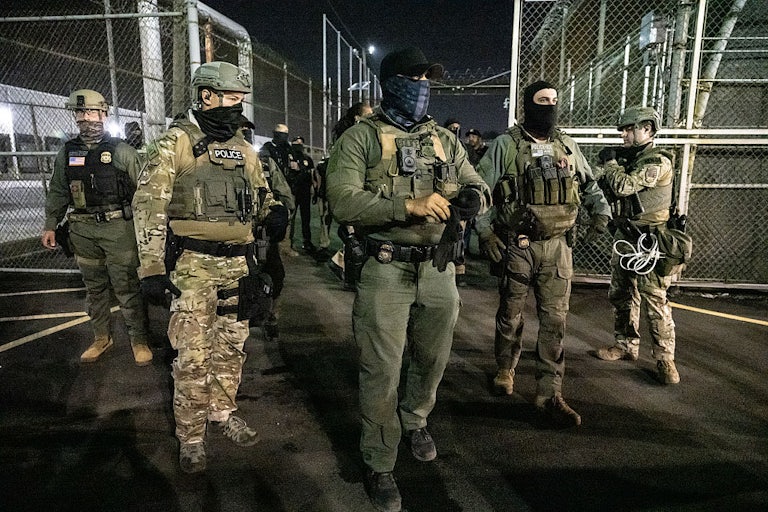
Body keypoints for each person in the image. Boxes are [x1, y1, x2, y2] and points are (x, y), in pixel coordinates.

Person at [326, 47, 491, 512]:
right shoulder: (361, 138)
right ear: (392, 82)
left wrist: (472, 200)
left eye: (428, 78)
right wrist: (407, 206)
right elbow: (342, 199)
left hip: (438, 267)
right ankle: (379, 461)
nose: (423, 86)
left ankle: (416, 420)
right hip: (386, 267)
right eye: (414, 78)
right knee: (380, 367)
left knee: (433, 358)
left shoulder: (443, 138)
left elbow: (478, 183)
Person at [132, 61, 287, 474]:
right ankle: (192, 435)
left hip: (239, 265)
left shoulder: (245, 150)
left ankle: (222, 412)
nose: (238, 107)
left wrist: (274, 212)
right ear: (206, 96)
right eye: (232, 98)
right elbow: (148, 206)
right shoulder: (173, 144)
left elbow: (263, 196)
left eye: (240, 99)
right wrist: (151, 268)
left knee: (231, 348)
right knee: (193, 355)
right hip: (193, 266)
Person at [474, 80, 611, 428]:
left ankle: (549, 393)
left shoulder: (566, 144)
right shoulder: (506, 145)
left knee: (555, 321)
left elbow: (589, 183)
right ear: (528, 104)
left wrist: (601, 213)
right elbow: (479, 190)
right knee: (511, 313)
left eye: (553, 100)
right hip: (518, 246)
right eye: (542, 100)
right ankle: (506, 369)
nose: (549, 106)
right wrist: (485, 231)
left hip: (558, 248)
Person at [41, 89, 151, 367]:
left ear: (103, 114)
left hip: (118, 230)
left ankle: (139, 340)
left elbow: (146, 191)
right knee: (94, 288)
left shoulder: (122, 151)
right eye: (80, 113)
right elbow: (57, 191)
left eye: (91, 112)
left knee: (127, 286)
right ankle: (102, 337)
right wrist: (50, 225)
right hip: (82, 229)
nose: (85, 118)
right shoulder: (67, 152)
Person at [593, 106, 687, 385]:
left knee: (655, 299)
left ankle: (664, 358)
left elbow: (623, 186)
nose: (623, 134)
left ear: (646, 129)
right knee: (621, 293)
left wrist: (611, 164)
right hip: (627, 237)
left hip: (652, 240)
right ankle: (625, 345)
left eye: (628, 129)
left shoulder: (657, 161)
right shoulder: (632, 158)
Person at [322, 102, 374, 286]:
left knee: (357, 236)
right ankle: (346, 270)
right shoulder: (350, 137)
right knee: (354, 235)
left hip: (358, 189)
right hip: (349, 189)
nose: (372, 116)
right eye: (368, 114)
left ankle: (341, 264)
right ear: (357, 117)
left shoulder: (362, 136)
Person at [258, 125, 296, 341]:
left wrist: (283, 213)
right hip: (230, 232)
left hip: (264, 230)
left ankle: (271, 317)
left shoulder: (264, 161)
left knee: (276, 276)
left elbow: (284, 192)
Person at [260, 123, 298, 257]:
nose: (283, 137)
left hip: (288, 187)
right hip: (273, 189)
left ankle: (285, 246)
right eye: (281, 133)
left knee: (288, 217)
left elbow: (295, 166)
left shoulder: (288, 149)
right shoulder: (267, 149)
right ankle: (270, 248)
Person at [287, 135, 315, 253]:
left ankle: (307, 241)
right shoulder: (289, 156)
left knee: (306, 218)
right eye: (296, 142)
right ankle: (288, 242)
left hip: (305, 192)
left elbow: (312, 174)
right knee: (290, 218)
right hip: (293, 191)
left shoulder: (307, 158)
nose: (299, 144)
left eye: (301, 142)